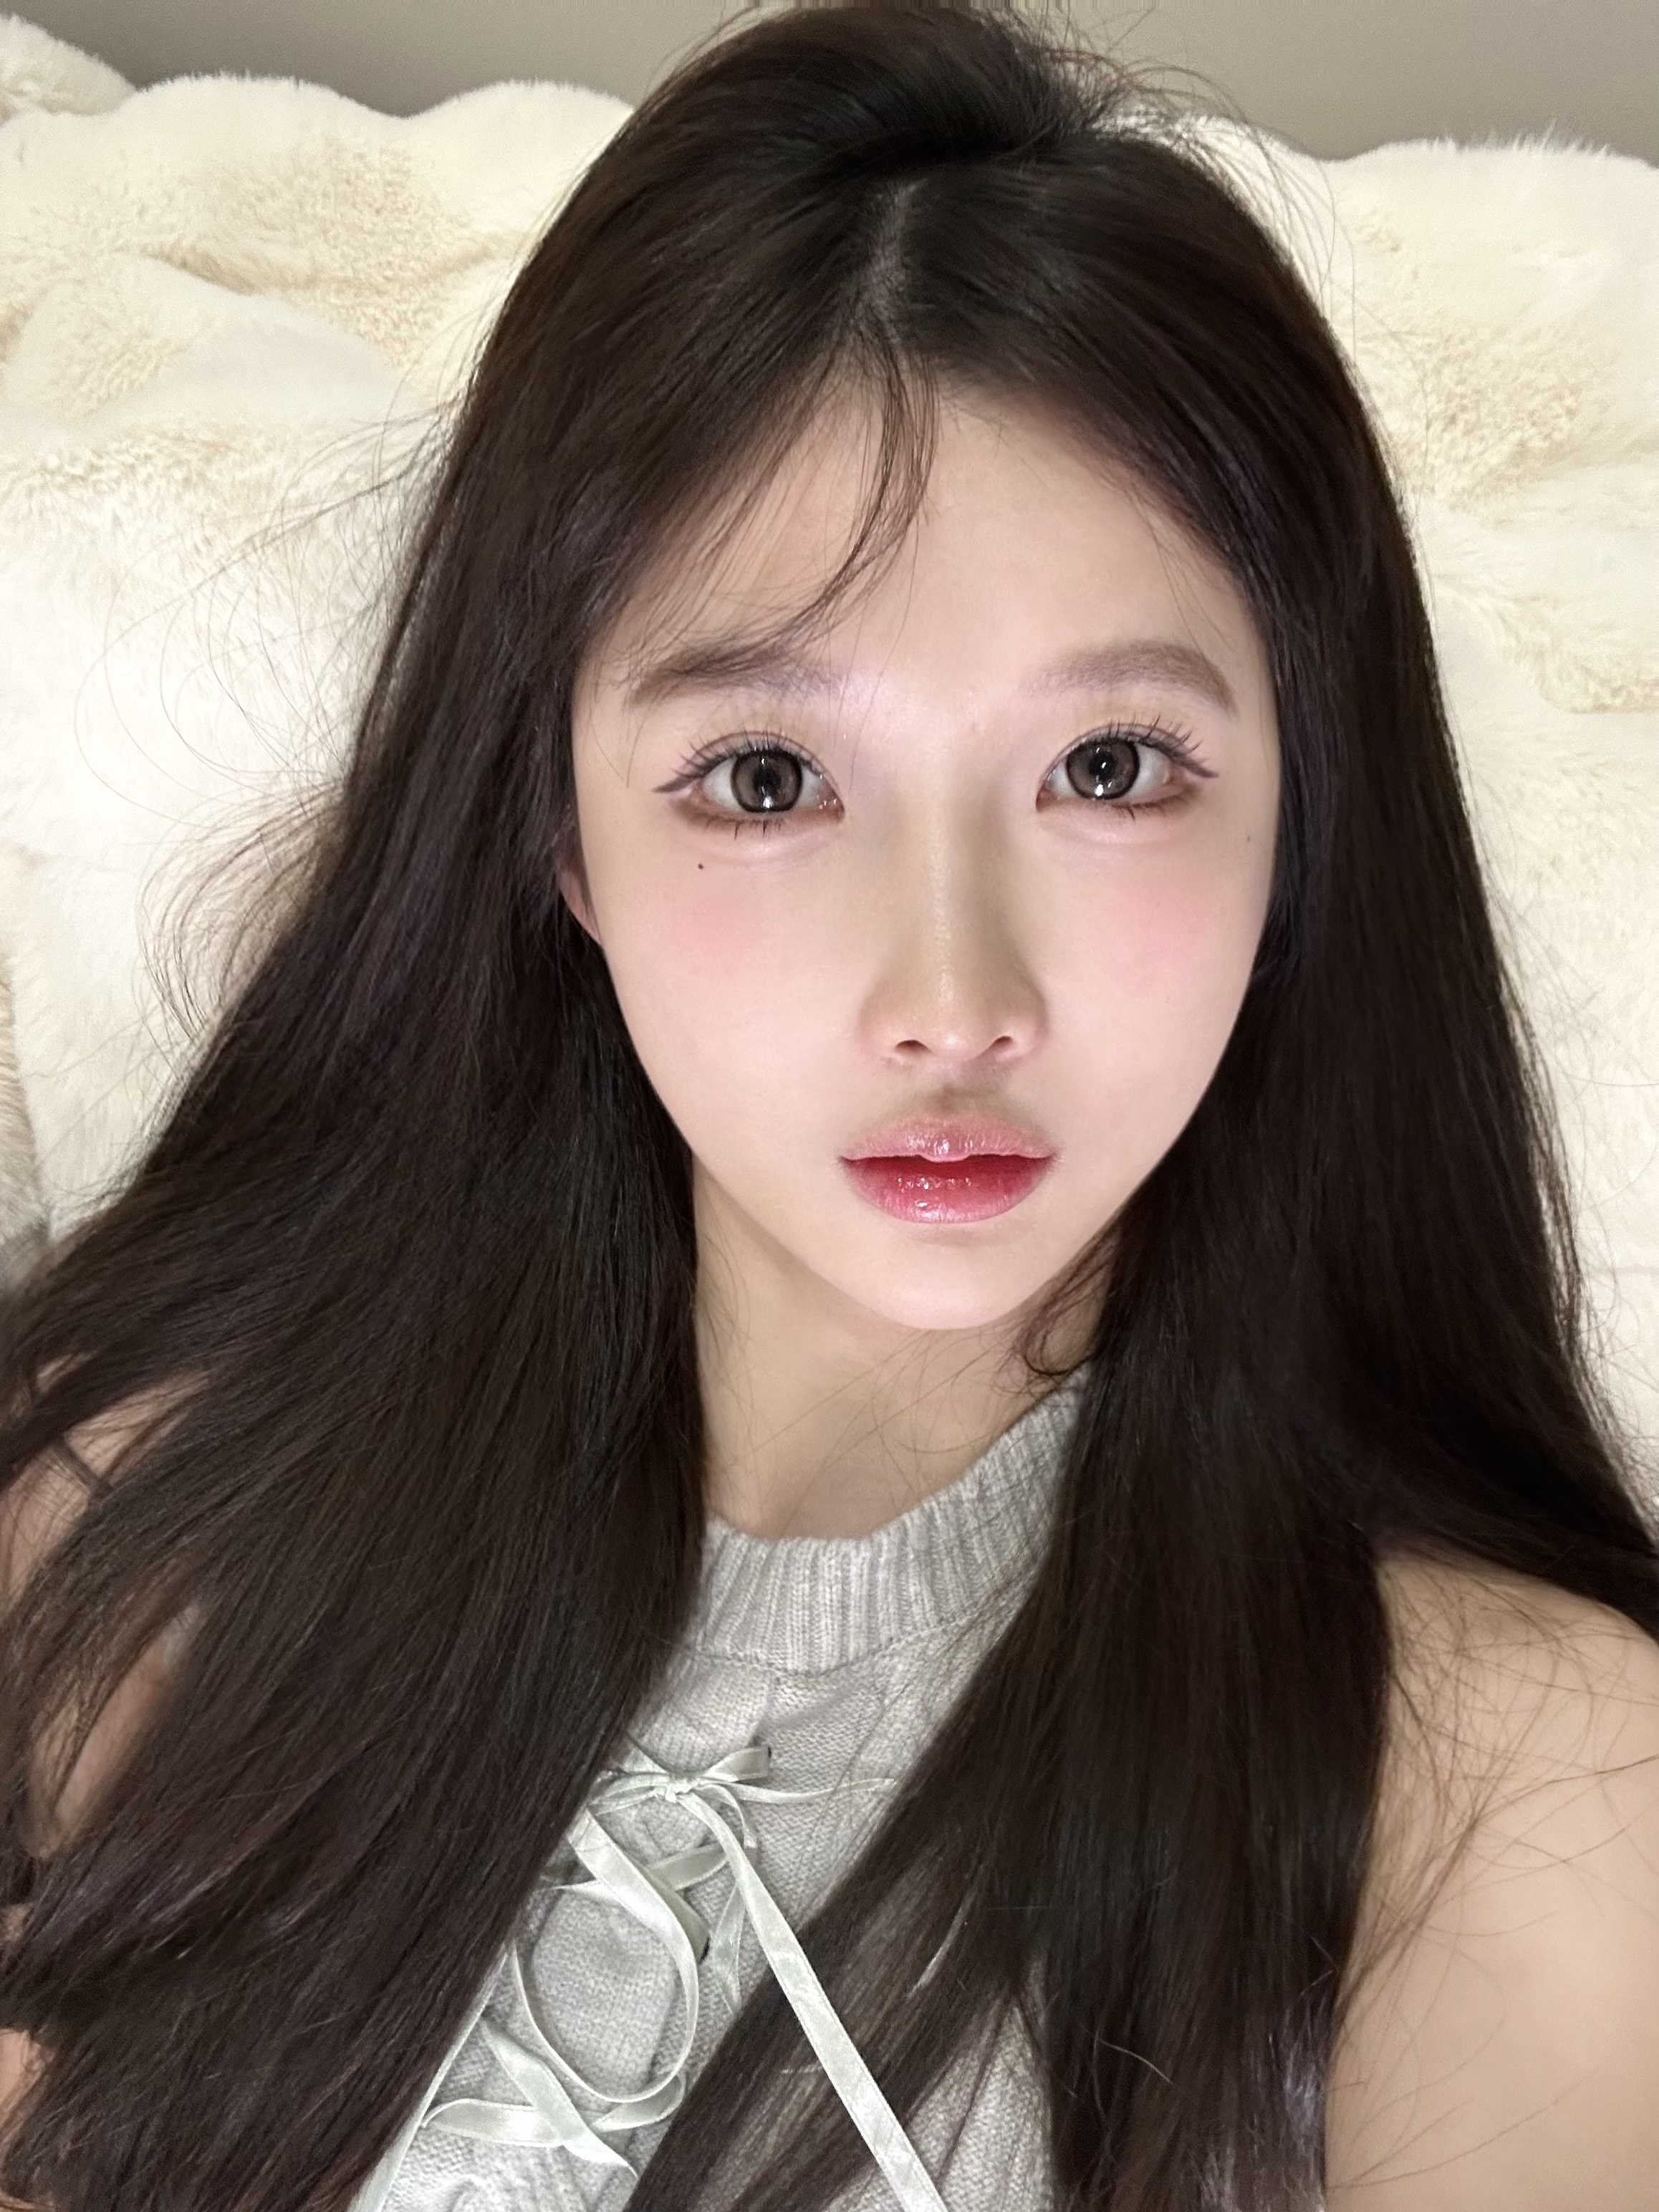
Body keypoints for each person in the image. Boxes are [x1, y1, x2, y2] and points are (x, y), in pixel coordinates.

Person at [3, 2, 1658, 2207]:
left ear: (1301, 825)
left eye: (1108, 769)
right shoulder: (148, 1518)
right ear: (554, 829)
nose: (950, 1001)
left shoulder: (1507, 1794)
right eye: (767, 778)